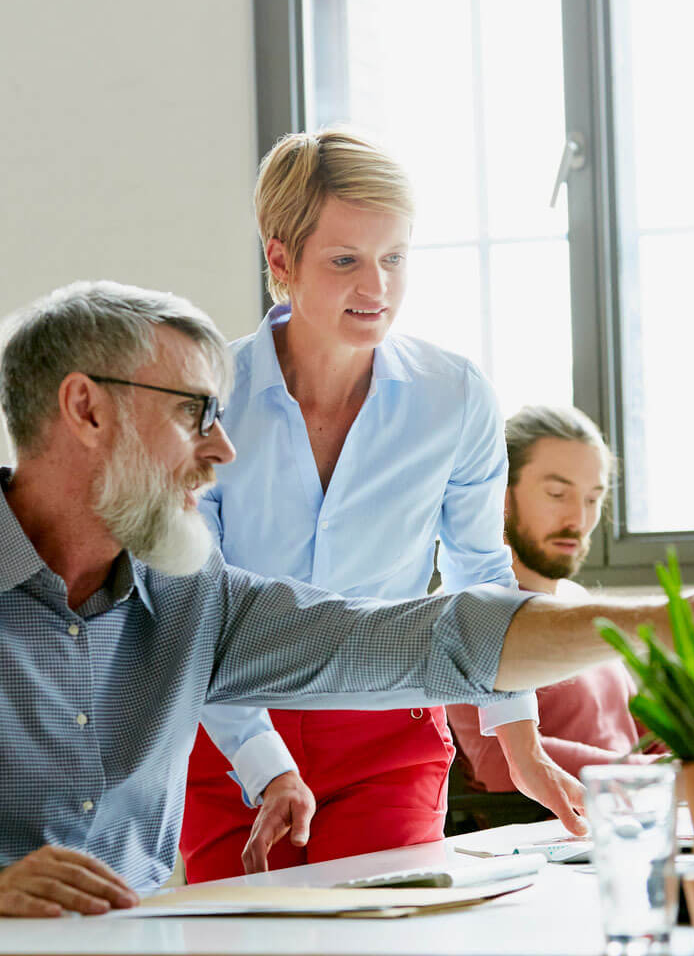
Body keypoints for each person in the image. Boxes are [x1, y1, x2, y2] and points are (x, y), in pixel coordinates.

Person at [0, 280, 694, 932]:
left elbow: (423, 642)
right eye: (195, 414)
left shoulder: (191, 601)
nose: (222, 450)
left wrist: (658, 624)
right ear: (86, 408)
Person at [180, 129, 583, 883]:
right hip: (229, 731)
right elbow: (192, 603)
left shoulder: (453, 396)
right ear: (280, 260)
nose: (378, 288)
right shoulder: (205, 403)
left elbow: (478, 570)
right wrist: (265, 764)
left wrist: (518, 741)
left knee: (380, 929)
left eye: (394, 258)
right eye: (345, 261)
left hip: (389, 730)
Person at [448, 405, 667, 791]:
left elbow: (639, 728)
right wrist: (645, 776)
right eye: (557, 493)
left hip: (626, 819)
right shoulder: (468, 610)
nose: (578, 520)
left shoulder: (575, 599)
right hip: (548, 833)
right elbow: (495, 761)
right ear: (499, 494)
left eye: (592, 500)